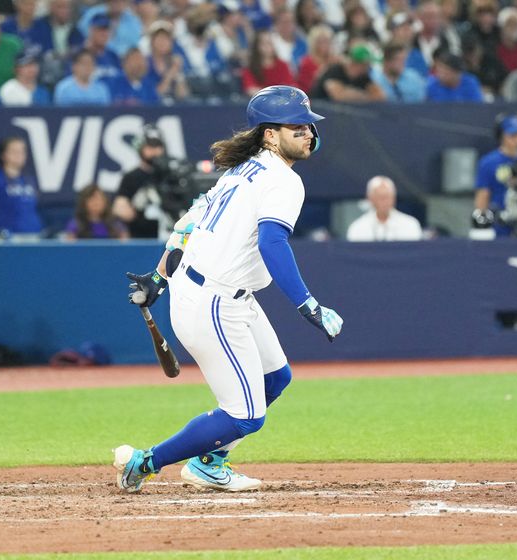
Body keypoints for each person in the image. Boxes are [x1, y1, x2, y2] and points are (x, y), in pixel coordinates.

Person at [112, 85, 343, 493]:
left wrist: (159, 277)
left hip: (222, 295)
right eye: (297, 125)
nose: (308, 132)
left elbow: (187, 225)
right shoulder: (281, 180)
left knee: (277, 378)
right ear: (270, 134)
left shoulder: (243, 170)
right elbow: (273, 243)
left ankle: (209, 462)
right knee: (246, 416)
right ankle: (145, 461)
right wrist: (307, 304)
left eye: (308, 125)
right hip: (214, 301)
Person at [472, 113, 517, 237]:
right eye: (511, 135)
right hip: (498, 222)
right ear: (501, 136)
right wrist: (482, 226)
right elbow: (482, 195)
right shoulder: (488, 162)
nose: (515, 139)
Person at [0, 136, 44, 235]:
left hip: (34, 235)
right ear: (3, 155)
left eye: (22, 152)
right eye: (14, 151)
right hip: (9, 238)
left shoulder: (29, 180)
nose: (19, 155)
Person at [111, 124, 169, 239]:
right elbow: (119, 209)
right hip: (139, 237)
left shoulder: (170, 174)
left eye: (157, 146)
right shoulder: (131, 177)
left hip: (169, 235)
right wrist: (135, 206)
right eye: (149, 147)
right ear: (140, 148)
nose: (154, 151)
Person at [346, 175, 422, 241]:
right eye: (380, 197)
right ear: (370, 199)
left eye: (387, 197)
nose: (384, 202)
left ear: (394, 198)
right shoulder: (357, 228)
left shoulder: (410, 225)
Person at [310, 43, 385, 102]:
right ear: (356, 63)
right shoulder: (335, 70)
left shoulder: (363, 76)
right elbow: (339, 95)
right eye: (365, 64)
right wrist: (366, 95)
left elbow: (380, 96)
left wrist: (355, 94)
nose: (368, 67)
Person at [241, 30, 296, 96]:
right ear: (257, 46)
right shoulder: (249, 68)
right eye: (264, 43)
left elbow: (291, 88)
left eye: (270, 43)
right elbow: (251, 90)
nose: (267, 47)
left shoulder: (283, 65)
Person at [63, 183, 127, 240]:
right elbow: (69, 249)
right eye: (92, 200)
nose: (96, 203)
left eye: (99, 199)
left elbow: (125, 246)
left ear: (105, 202)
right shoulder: (75, 225)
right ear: (84, 203)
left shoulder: (116, 224)